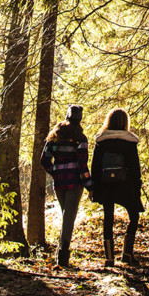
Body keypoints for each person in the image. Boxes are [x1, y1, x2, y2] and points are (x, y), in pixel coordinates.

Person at [40, 104, 93, 268]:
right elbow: (82, 165)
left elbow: (44, 159)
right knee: (69, 217)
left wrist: (54, 172)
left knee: (66, 216)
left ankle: (61, 253)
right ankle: (62, 255)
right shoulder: (80, 138)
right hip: (75, 183)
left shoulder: (55, 136)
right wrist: (90, 186)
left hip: (59, 182)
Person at [91, 108, 143, 267]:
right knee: (134, 216)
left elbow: (95, 166)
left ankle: (109, 258)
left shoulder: (101, 141)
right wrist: (137, 186)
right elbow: (135, 167)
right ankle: (127, 254)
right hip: (126, 185)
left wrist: (94, 188)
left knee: (108, 218)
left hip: (106, 185)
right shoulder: (130, 141)